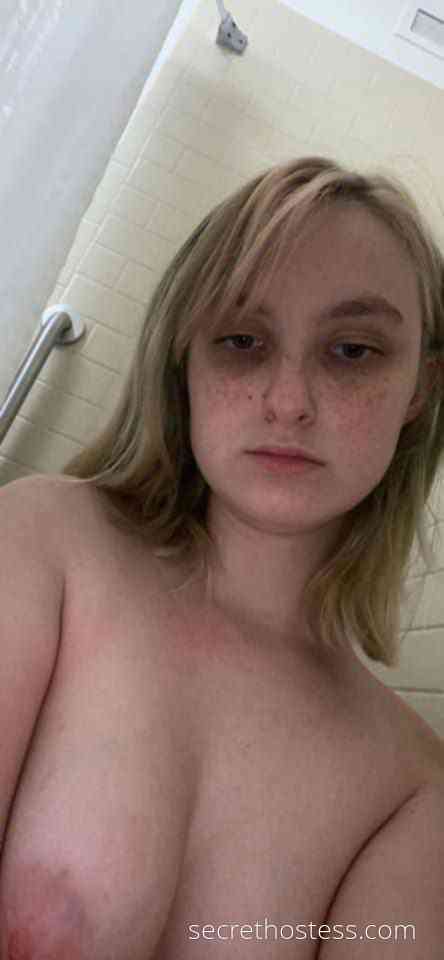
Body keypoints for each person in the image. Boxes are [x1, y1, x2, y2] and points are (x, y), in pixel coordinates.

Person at [1, 156, 443, 958]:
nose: (289, 401)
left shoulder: (414, 790)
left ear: (420, 387)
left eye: (353, 350)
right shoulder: (44, 541)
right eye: (242, 340)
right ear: (185, 357)